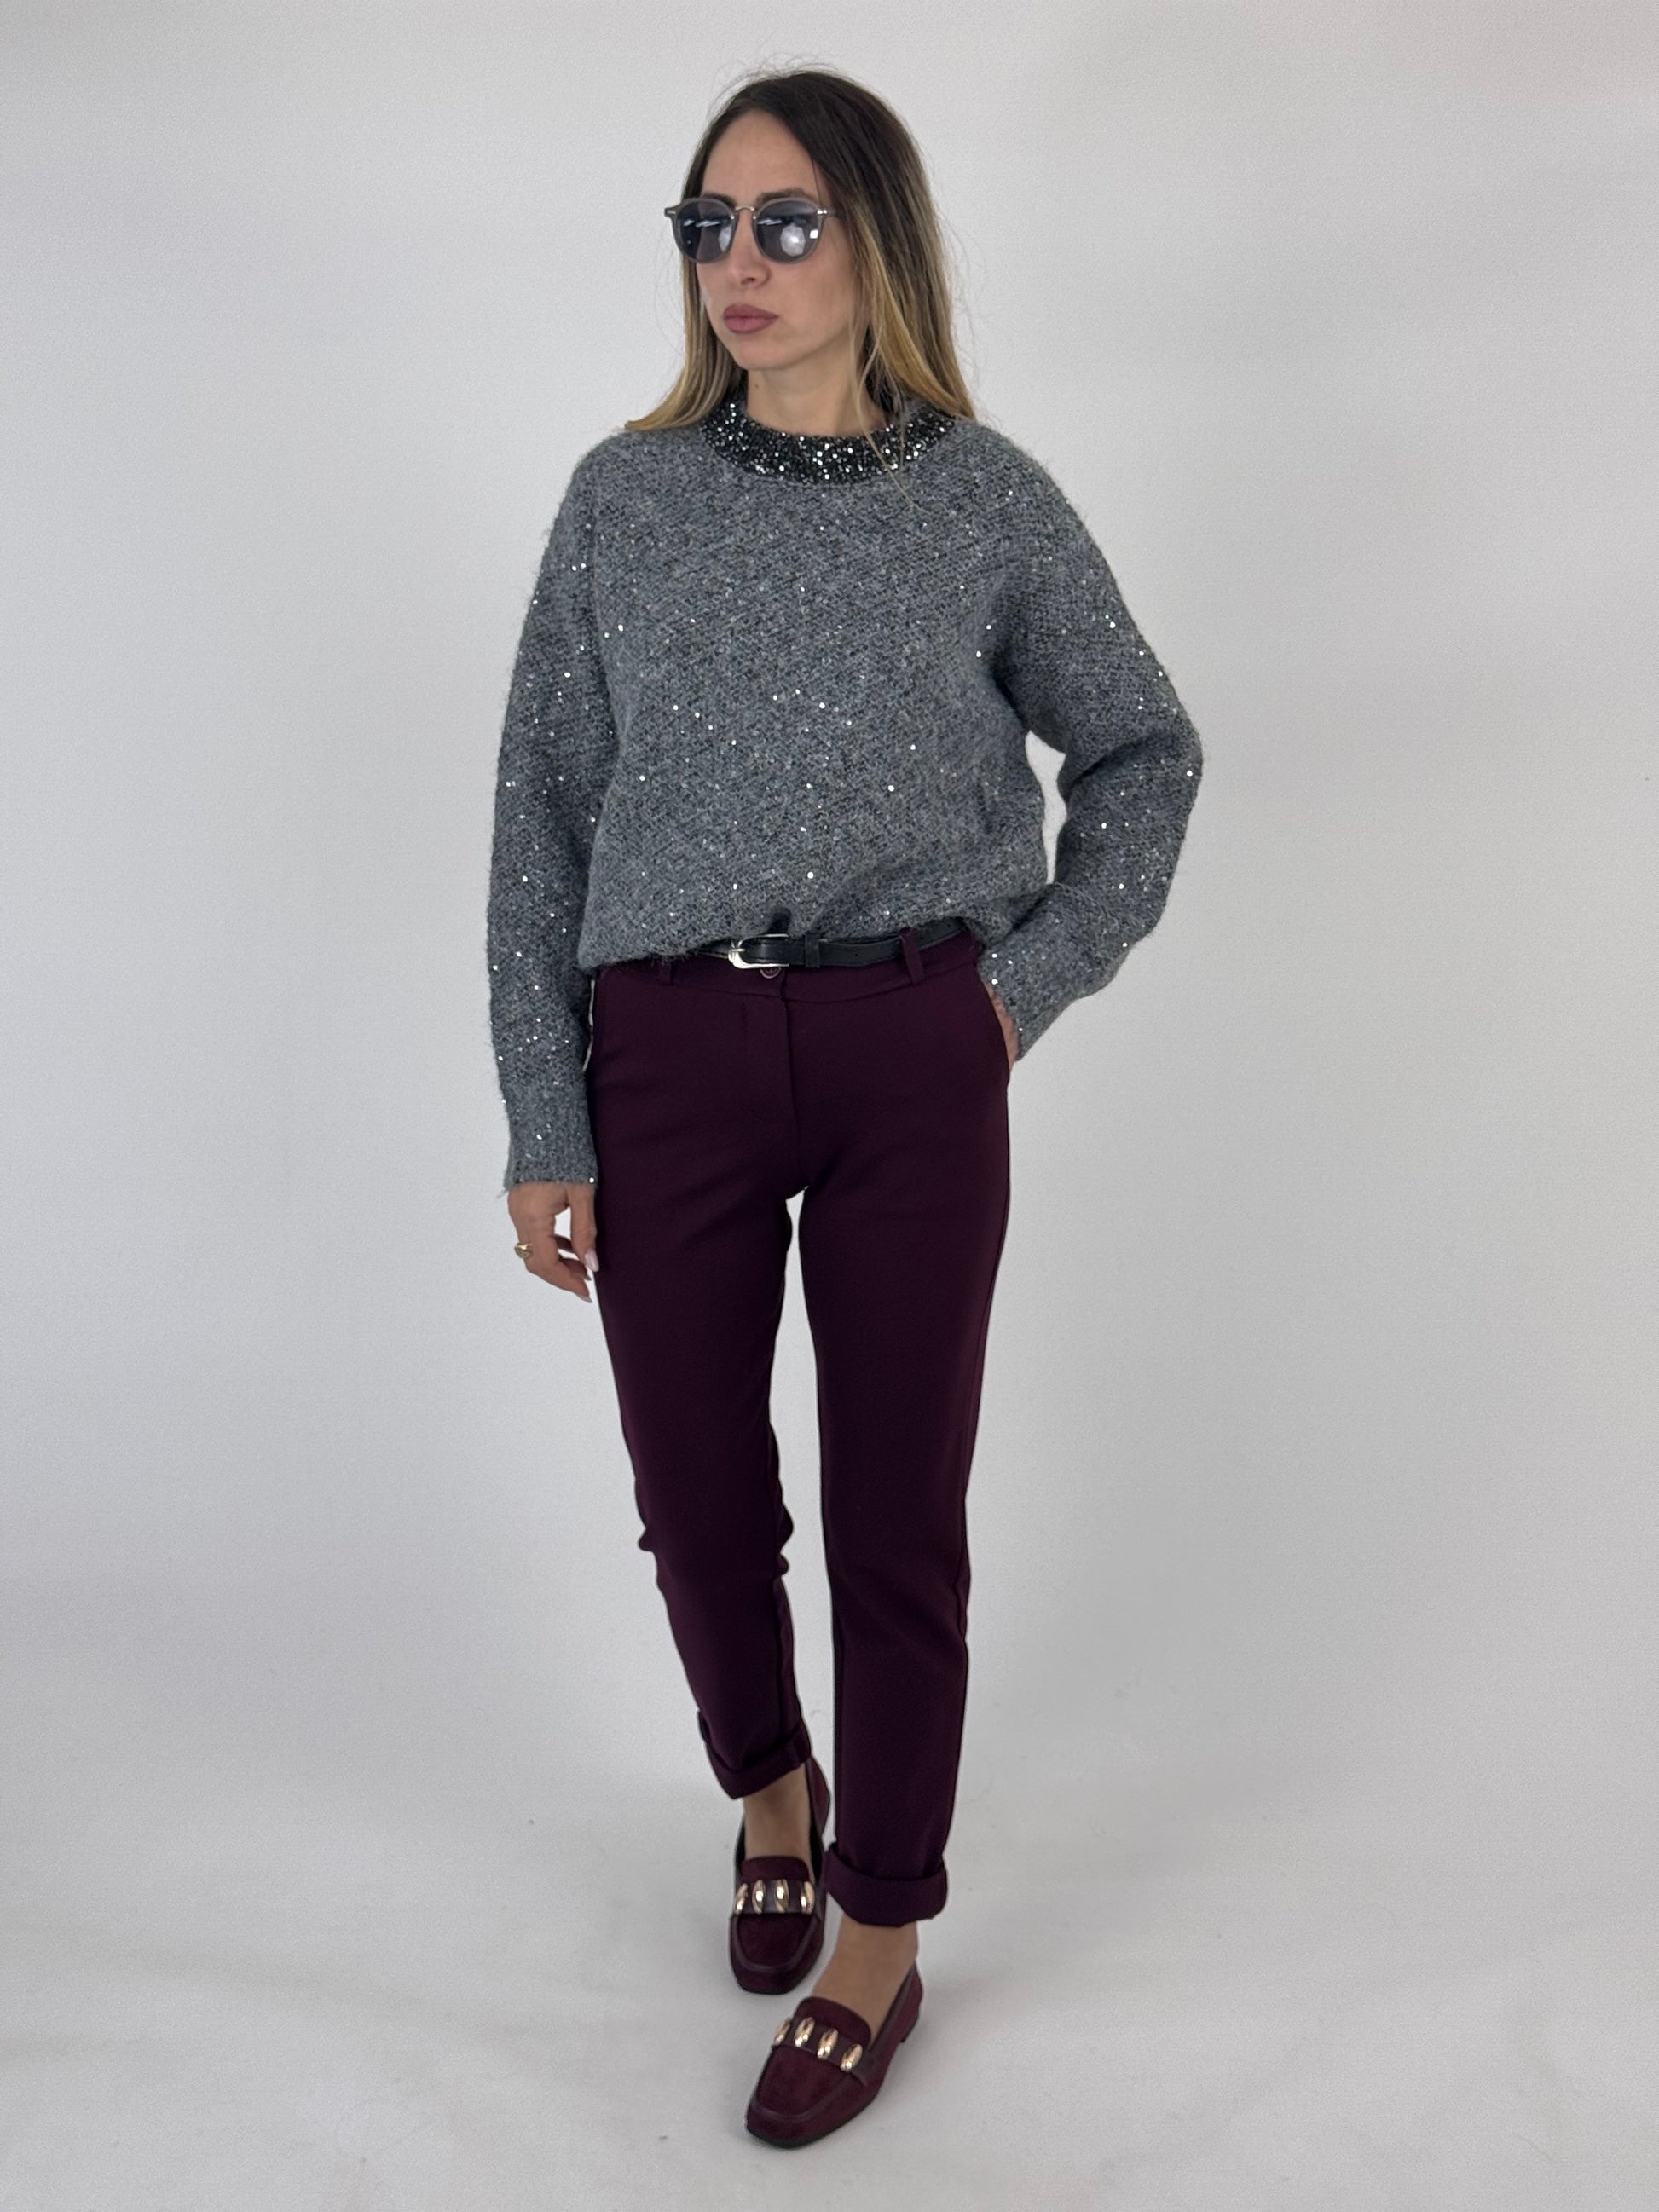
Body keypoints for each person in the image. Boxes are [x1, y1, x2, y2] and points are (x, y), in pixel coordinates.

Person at [486, 65, 1204, 2148]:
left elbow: (1142, 752)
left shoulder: (986, 500)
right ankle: (769, 1787)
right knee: (695, 1490)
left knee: (900, 1508)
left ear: (876, 239)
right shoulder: (622, 499)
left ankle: (882, 1922)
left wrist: (1015, 995)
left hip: (914, 1051)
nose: (740, 263)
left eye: (785, 222)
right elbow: (540, 811)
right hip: (667, 1054)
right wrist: (545, 1112)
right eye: (708, 224)